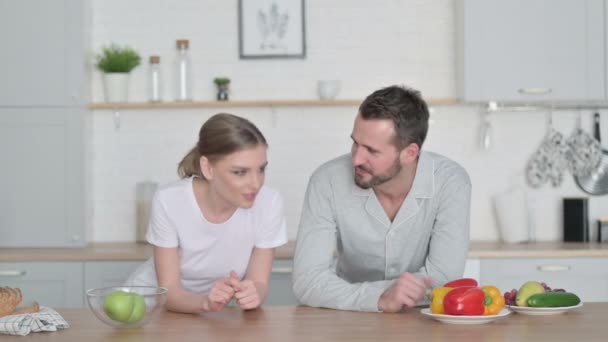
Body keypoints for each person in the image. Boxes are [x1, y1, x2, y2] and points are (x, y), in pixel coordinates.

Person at [292, 85, 471, 313]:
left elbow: (444, 279)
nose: (356, 158)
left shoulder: (451, 182)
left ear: (409, 154)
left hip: (421, 322)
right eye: (355, 142)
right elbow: (307, 282)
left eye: (371, 151)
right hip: (347, 317)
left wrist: (350, 292)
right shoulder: (325, 181)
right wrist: (380, 298)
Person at [126, 113, 287, 313]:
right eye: (239, 172)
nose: (256, 183)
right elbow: (169, 292)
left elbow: (259, 282)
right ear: (208, 168)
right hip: (146, 307)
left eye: (261, 169)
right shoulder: (169, 200)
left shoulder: (269, 202)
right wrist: (205, 303)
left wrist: (253, 294)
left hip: (213, 313)